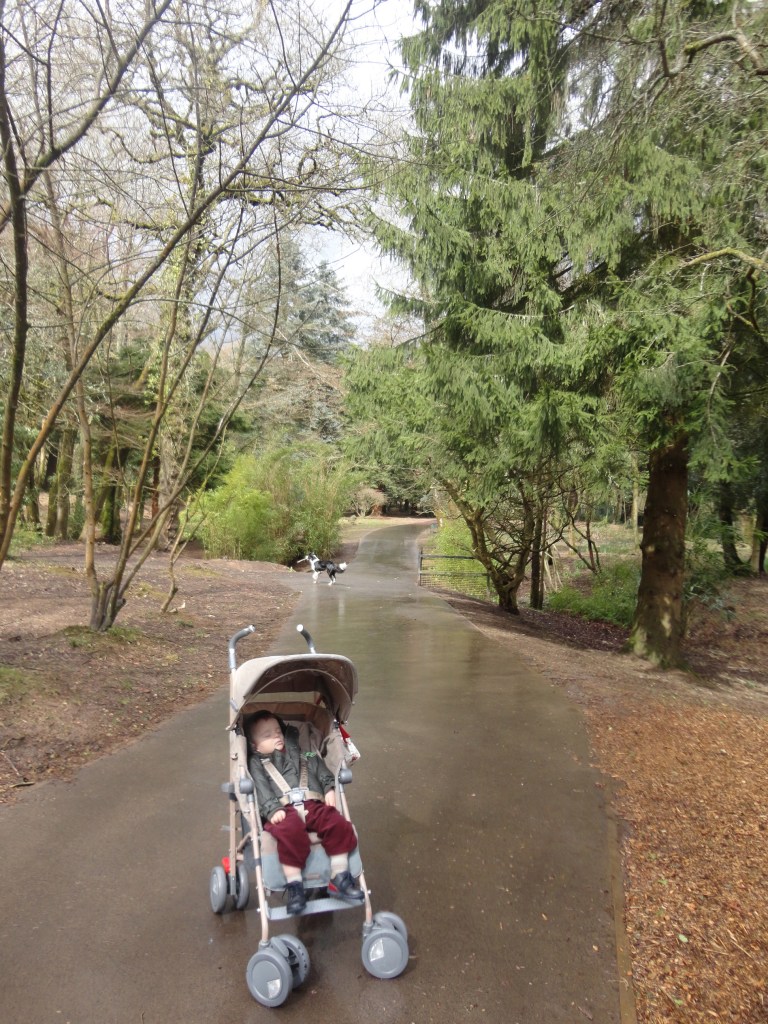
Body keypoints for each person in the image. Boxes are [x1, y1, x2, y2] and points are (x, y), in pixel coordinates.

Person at [247, 710, 364, 914]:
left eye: (278, 731)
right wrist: (271, 809)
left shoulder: (305, 753)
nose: (276, 736)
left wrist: (328, 787)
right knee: (289, 832)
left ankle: (339, 876)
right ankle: (295, 885)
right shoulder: (257, 763)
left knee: (337, 823)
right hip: (282, 809)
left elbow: (318, 764)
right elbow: (260, 787)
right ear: (255, 746)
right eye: (267, 735)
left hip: (313, 803)